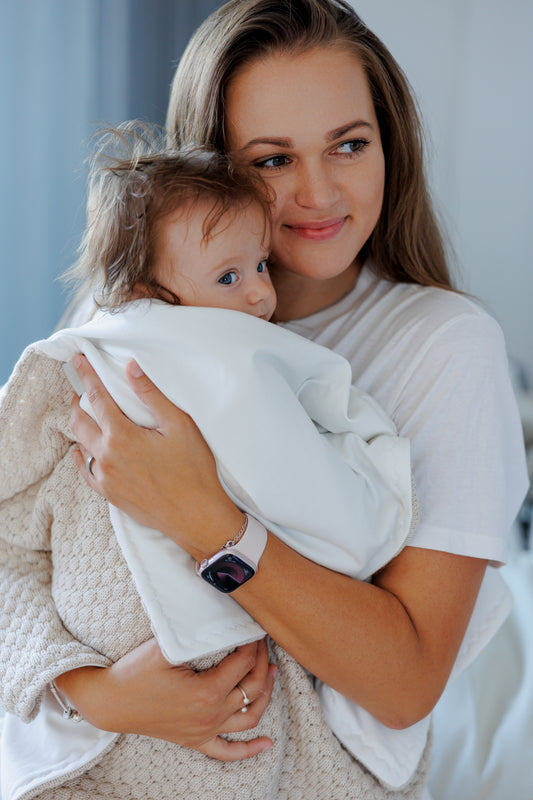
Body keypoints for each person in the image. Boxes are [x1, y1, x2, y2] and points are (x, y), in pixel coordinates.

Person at [0, 1, 527, 799]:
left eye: (349, 145)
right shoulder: (129, 318)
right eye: (273, 160)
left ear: (391, 147)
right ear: (210, 169)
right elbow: (15, 539)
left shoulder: (444, 343)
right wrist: (98, 695)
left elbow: (405, 684)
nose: (318, 192)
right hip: (88, 744)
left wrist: (203, 517)